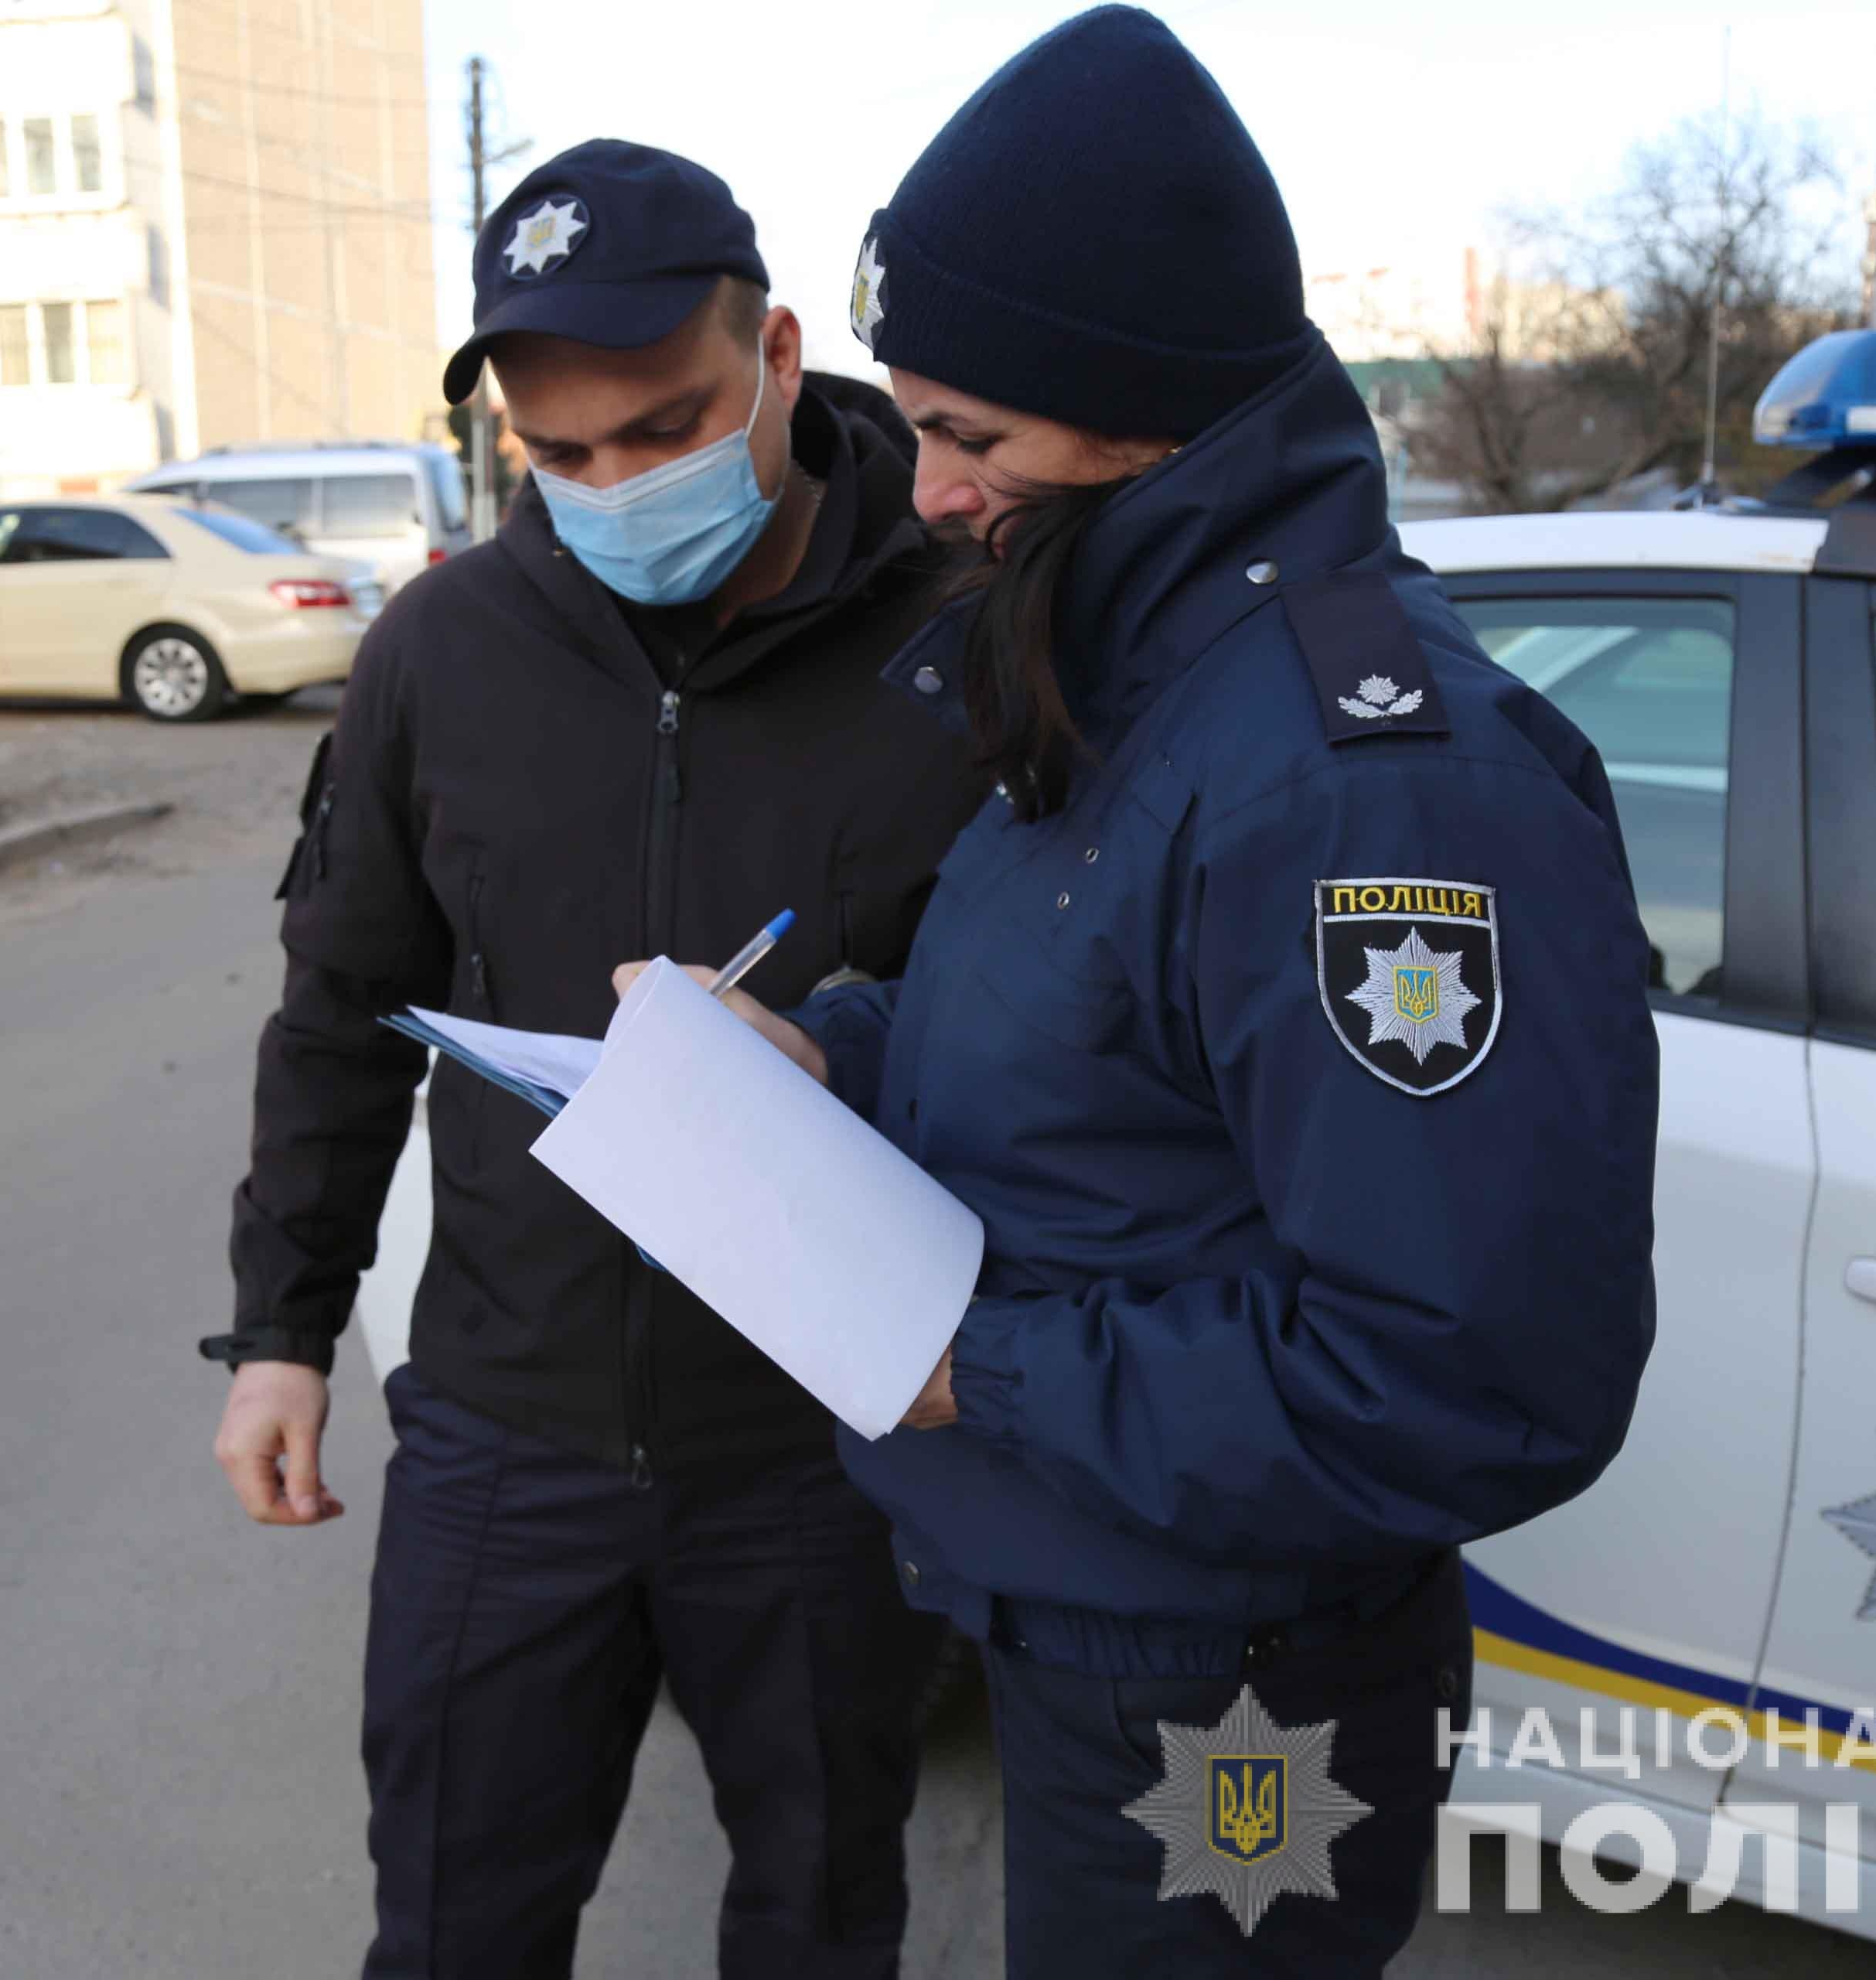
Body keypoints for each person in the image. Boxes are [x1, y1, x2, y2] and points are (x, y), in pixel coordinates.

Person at [651, 11, 1661, 1975]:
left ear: (1146, 417)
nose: (930, 490)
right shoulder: (1141, 676)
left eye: (973, 435)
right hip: (1108, 1623)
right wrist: (819, 1056)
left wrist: (981, 1369)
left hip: (1232, 1694)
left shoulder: (1371, 791)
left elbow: (1464, 1379)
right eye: (917, 420)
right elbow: (1098, 1057)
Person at [204, 139, 984, 1980]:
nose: (616, 487)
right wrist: (280, 1333)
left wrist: (842, 1051)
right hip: (506, 1433)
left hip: (823, 1438)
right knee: (459, 1919)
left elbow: (1058, 1031)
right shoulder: (442, 650)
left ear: (779, 353)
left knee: (819, 1910)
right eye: (560, 457)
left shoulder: (965, 634)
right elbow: (336, 1012)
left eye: (665, 427)